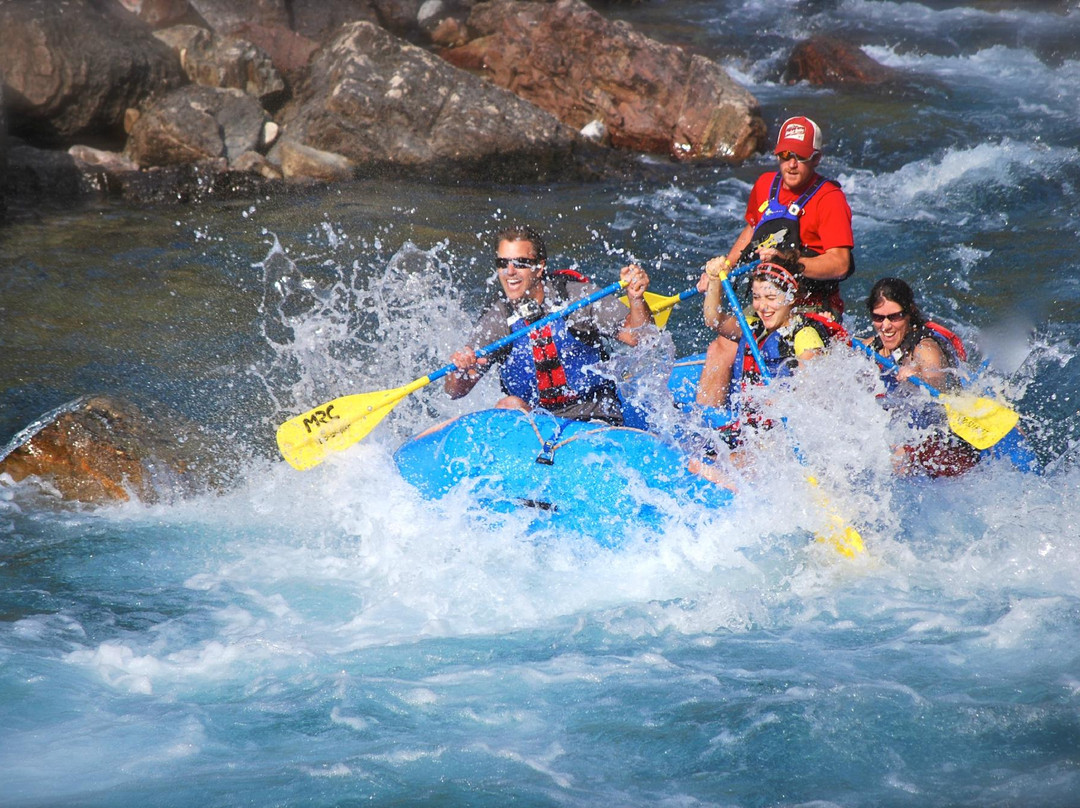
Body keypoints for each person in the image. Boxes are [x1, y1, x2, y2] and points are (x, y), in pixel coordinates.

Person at [695, 115, 854, 409]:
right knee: (720, 344)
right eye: (785, 155)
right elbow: (753, 228)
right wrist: (723, 270)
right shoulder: (765, 185)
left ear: (816, 158)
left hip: (809, 304)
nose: (791, 164)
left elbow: (841, 262)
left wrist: (790, 262)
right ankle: (709, 425)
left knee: (791, 349)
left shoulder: (830, 199)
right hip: (766, 300)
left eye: (800, 157)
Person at [445, 225, 652, 425]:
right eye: (502, 263)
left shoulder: (577, 299)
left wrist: (636, 299)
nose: (509, 271)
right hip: (537, 426)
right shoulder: (497, 319)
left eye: (520, 262)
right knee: (508, 405)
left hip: (594, 418)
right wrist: (461, 369)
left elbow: (641, 338)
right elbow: (455, 391)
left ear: (539, 267)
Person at [861, 277, 980, 477]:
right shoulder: (871, 347)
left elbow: (936, 382)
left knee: (900, 456)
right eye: (879, 318)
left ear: (910, 313)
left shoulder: (925, 348)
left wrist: (918, 377)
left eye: (895, 317)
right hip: (906, 437)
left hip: (947, 442)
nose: (886, 326)